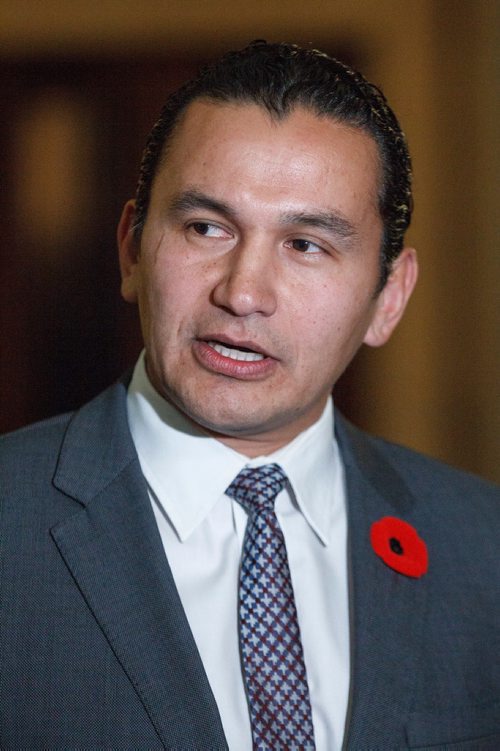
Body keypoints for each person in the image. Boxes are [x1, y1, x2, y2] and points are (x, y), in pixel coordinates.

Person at [1, 41, 498, 751]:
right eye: (206, 227)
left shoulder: (484, 551)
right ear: (130, 247)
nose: (242, 292)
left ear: (389, 297)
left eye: (306, 245)